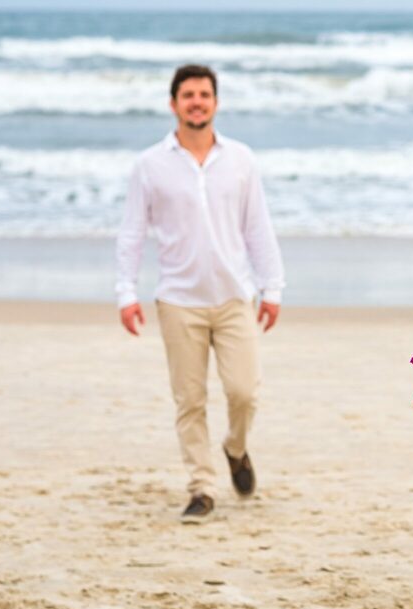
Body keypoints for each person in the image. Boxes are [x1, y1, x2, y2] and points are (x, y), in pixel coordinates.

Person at [115, 64, 285, 524]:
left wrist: (272, 287)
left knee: (244, 393)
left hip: (235, 298)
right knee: (189, 401)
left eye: (204, 94)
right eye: (187, 94)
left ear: (215, 102)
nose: (196, 101)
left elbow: (258, 228)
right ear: (173, 104)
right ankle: (202, 487)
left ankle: (235, 448)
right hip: (177, 301)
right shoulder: (150, 164)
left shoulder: (241, 159)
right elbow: (132, 233)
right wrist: (126, 292)